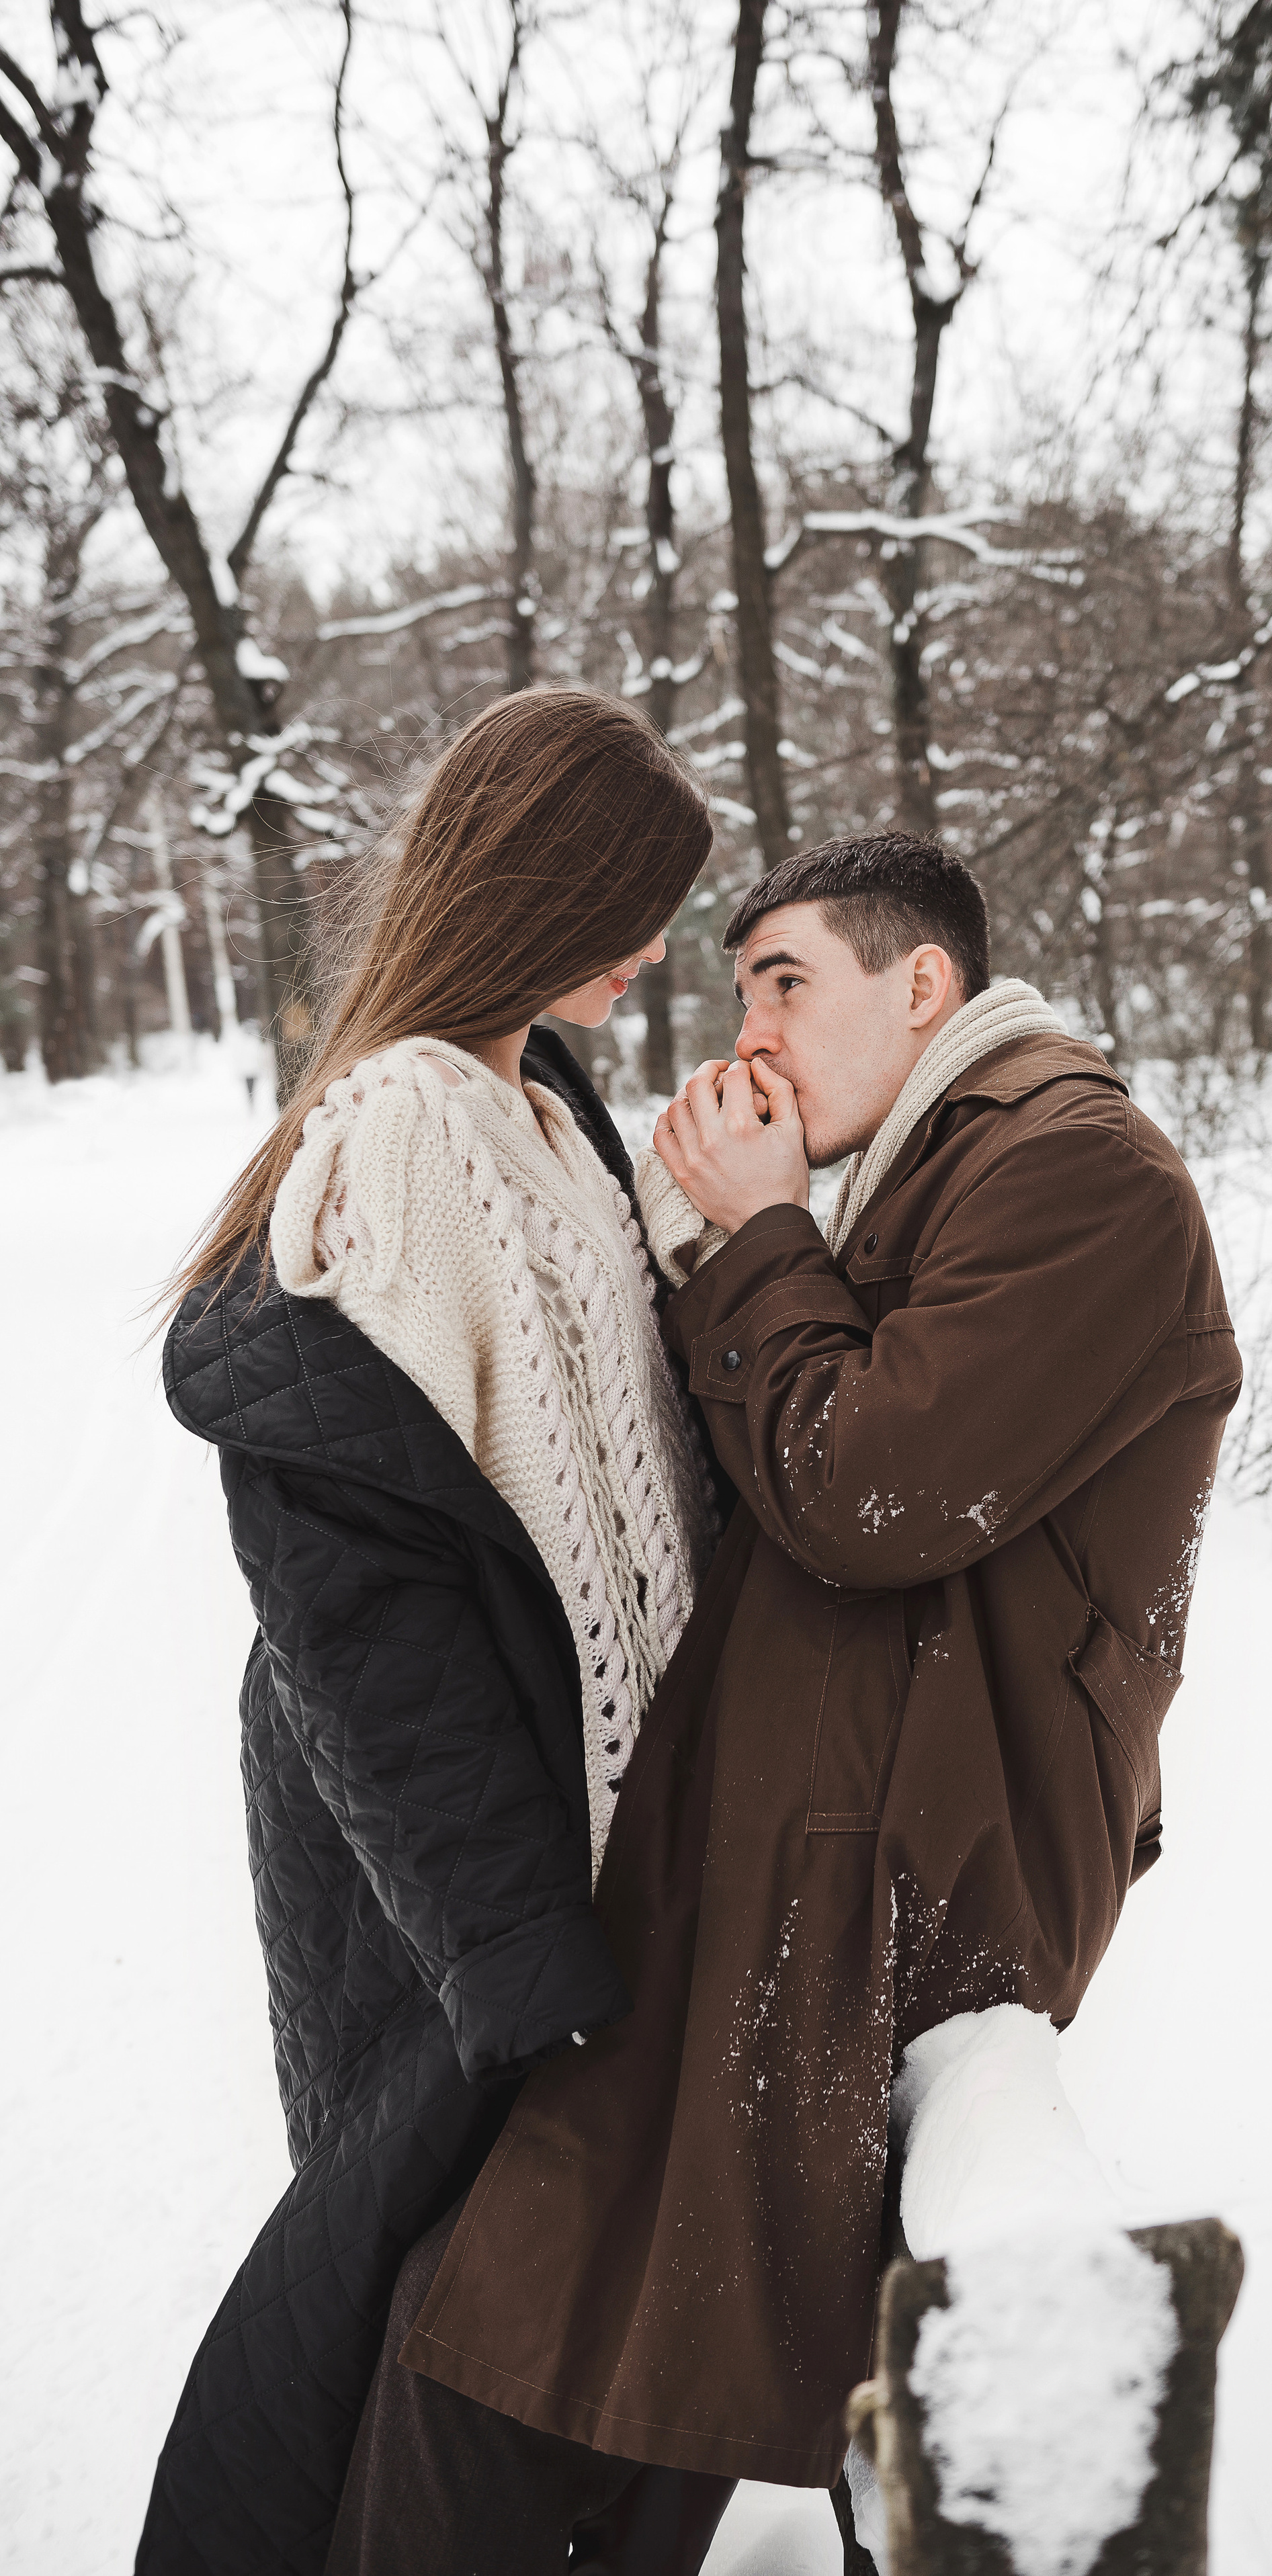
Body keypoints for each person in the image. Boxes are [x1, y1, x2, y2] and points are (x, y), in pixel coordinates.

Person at [341, 831, 1240, 2564]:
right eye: (738, 988)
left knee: (542, 2307)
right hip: (822, 1835)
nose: (748, 1032)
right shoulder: (933, 1172)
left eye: (785, 984)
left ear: (924, 986)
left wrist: (761, 1231)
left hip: (917, 1869)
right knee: (565, 2305)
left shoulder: (1083, 1174)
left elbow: (864, 1491)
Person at [138, 690, 734, 2576]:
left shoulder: (542, 1106)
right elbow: (360, 1593)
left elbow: (610, 1444)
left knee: (531, 2304)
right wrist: (511, 1936)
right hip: (453, 1846)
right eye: (635, 906)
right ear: (547, 881)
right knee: (435, 2304)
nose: (654, 950)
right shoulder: (407, 1129)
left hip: (552, 1820)